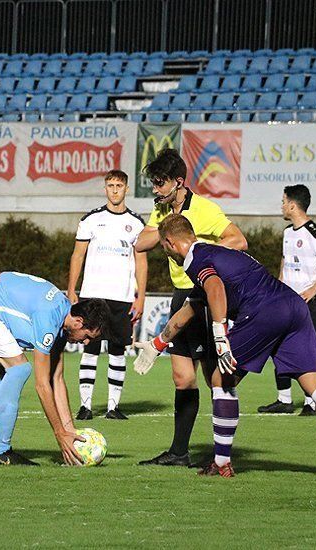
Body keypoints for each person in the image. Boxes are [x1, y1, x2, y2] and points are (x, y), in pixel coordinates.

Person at [134, 214, 316, 483]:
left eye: (163, 248)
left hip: (263, 312)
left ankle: (221, 463)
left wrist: (220, 336)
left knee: (220, 379)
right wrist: (157, 344)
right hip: (293, 306)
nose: (165, 253)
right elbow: (190, 309)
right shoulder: (217, 254)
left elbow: (214, 289)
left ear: (169, 242)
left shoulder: (195, 259)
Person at [133, 149, 247, 466]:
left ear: (178, 182)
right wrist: (166, 225)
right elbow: (140, 244)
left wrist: (205, 254)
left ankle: (221, 455)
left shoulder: (205, 209)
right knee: (182, 378)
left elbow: (239, 240)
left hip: (205, 297)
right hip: (180, 296)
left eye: (159, 183)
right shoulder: (162, 213)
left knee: (217, 379)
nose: (155, 189)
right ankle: (179, 452)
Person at [0, 271, 110, 466]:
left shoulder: (63, 315)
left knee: (7, 377)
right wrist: (59, 433)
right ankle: (2, 451)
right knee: (20, 369)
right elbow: (42, 386)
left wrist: (70, 431)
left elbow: (56, 379)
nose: (85, 342)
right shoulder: (50, 317)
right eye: (87, 336)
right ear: (78, 322)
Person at [67, 170, 147, 420]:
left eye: (119, 185)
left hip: (121, 296)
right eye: (110, 185)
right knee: (90, 348)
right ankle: (85, 406)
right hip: (92, 295)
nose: (114, 190)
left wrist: (141, 296)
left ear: (126, 189)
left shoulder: (136, 223)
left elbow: (141, 262)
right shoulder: (91, 219)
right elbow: (77, 255)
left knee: (117, 350)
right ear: (105, 188)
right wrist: (71, 288)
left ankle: (113, 407)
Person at [258, 184, 316, 416]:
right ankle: (283, 400)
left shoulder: (315, 232)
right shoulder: (287, 232)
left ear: (293, 205)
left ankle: (310, 403)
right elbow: (285, 261)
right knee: (277, 346)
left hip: (308, 302)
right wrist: (279, 287)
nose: (282, 205)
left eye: (284, 201)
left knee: (307, 351)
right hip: (287, 302)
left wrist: (314, 288)